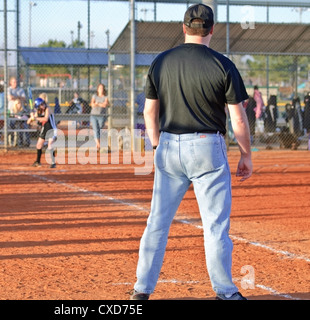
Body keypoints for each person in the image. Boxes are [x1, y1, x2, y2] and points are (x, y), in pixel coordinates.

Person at [130, 4, 252, 301]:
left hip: (169, 144)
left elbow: (149, 112)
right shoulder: (223, 64)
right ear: (212, 30)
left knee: (157, 222)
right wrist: (246, 154)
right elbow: (237, 118)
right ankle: (225, 292)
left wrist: (158, 145)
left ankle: (140, 291)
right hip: (207, 147)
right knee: (214, 226)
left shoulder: (161, 62)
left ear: (184, 28)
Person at [29, 97, 57, 168]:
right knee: (38, 145)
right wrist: (31, 118)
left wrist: (35, 118)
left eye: (43, 103)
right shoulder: (38, 112)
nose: (43, 105)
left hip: (51, 129)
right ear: (38, 106)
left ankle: (53, 163)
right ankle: (38, 162)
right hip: (44, 129)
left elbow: (45, 118)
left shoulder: (48, 109)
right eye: (41, 105)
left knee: (50, 145)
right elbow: (29, 122)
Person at [90, 83, 109, 150]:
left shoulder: (105, 97)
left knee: (100, 127)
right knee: (95, 129)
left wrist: (97, 103)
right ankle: (98, 144)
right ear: (97, 89)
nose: (101, 89)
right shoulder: (94, 96)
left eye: (102, 88)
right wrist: (99, 104)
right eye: (99, 88)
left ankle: (98, 143)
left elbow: (105, 105)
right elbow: (92, 104)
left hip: (101, 115)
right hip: (94, 115)